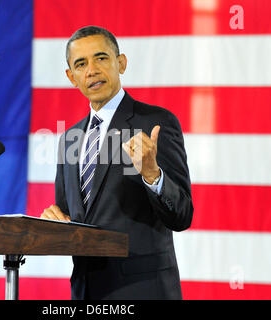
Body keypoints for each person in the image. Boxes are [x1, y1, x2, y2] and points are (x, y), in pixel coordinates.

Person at [40, 26, 193, 300]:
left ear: (120, 63)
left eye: (101, 58)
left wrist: (152, 175)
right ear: (71, 77)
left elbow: (182, 215)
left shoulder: (155, 122)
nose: (92, 70)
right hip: (86, 291)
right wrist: (53, 224)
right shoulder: (69, 139)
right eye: (81, 64)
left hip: (143, 291)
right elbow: (71, 218)